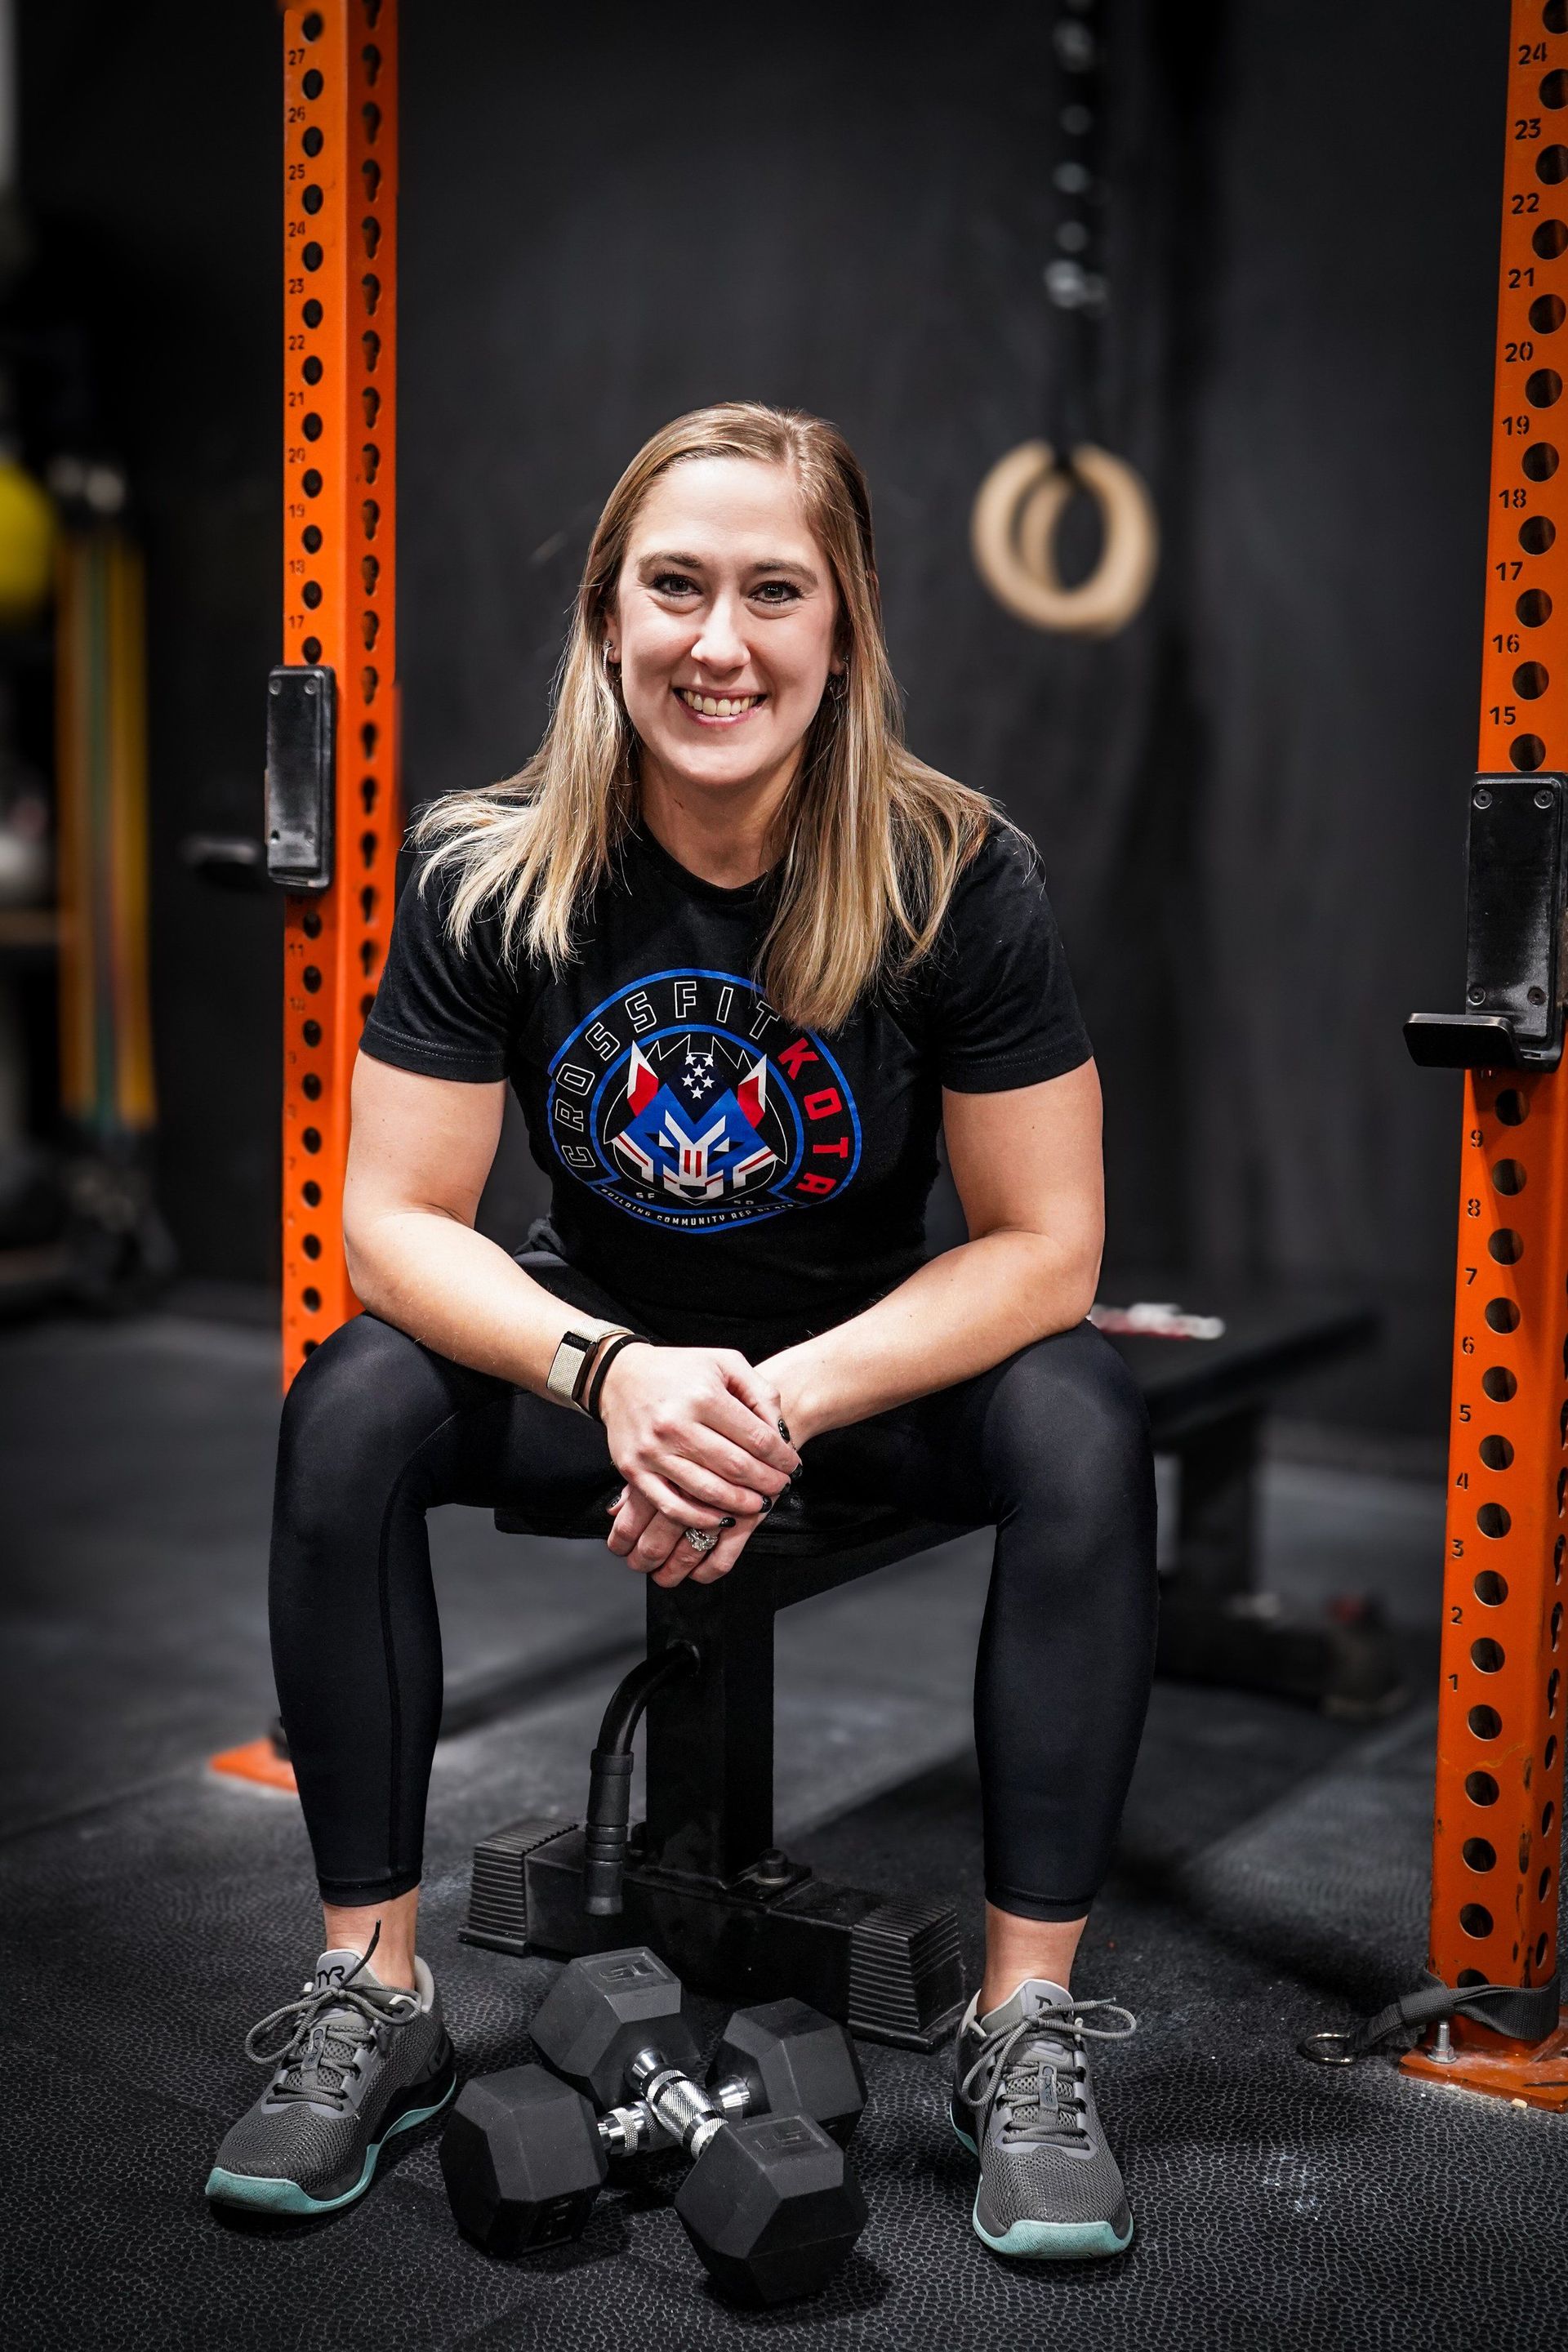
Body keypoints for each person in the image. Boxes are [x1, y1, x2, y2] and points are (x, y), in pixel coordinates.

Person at [206, 403, 1156, 2260]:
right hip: (599, 1365)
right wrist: (614, 1376)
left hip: (847, 1373)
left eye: (774, 593)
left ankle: (1024, 2020)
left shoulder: (958, 874)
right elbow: (388, 1225)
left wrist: (767, 1406)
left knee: (1082, 1419)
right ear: (605, 617)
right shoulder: (491, 869)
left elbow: (1049, 1247)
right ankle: (374, 1996)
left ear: (847, 628)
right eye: (677, 588)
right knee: (349, 1407)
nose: (721, 643)